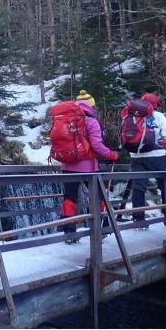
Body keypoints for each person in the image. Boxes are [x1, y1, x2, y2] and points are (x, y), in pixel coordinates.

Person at [52, 91, 119, 243]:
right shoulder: (90, 121)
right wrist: (112, 155)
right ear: (91, 106)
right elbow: (97, 146)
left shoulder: (67, 119)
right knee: (99, 197)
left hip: (67, 166)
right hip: (89, 168)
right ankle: (101, 228)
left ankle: (69, 234)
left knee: (69, 198)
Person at [123, 92, 166, 226]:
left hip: (136, 156)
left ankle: (138, 219)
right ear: (155, 105)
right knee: (165, 185)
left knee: (139, 188)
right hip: (156, 156)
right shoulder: (158, 116)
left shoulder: (130, 116)